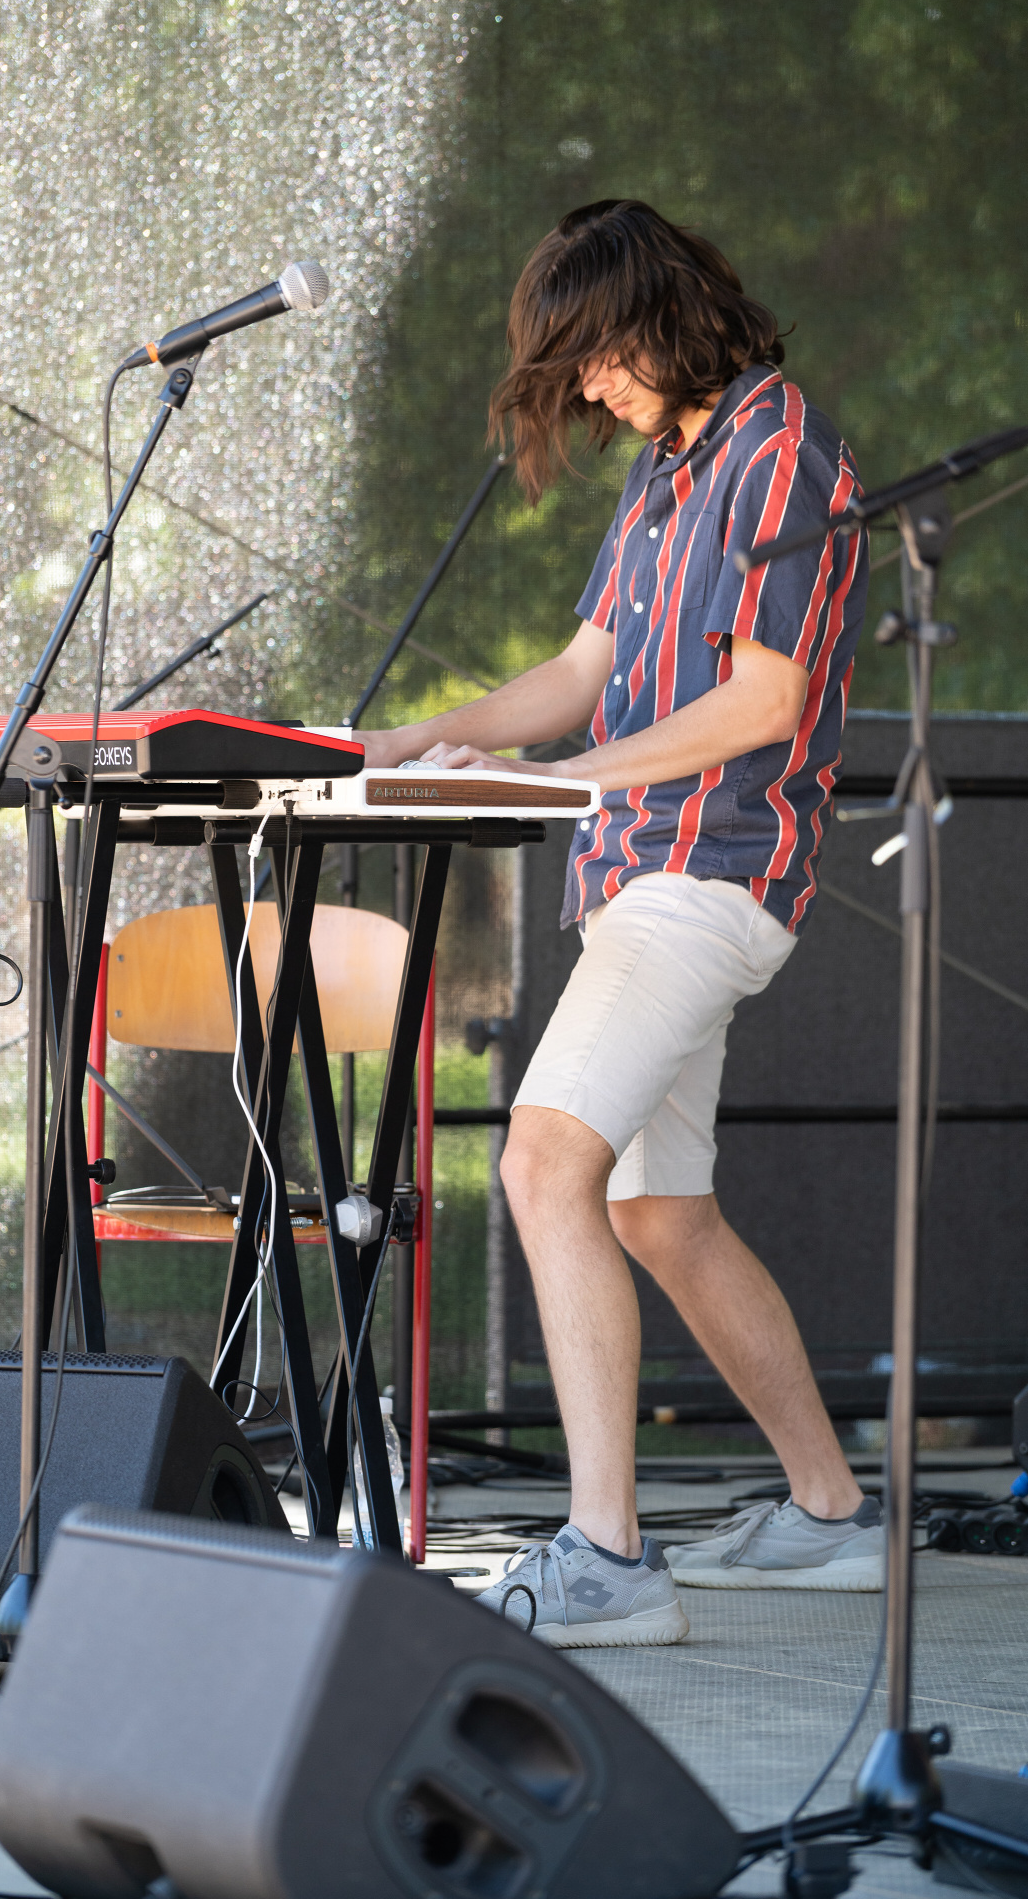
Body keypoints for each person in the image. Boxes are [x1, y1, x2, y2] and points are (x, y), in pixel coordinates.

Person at [357, 199, 882, 1648]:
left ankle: (606, 1558)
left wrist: (559, 781)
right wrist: (408, 742)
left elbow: (765, 701)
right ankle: (832, 1515)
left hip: (707, 879)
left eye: (598, 356)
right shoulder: (667, 468)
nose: (589, 388)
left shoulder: (781, 452)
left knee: (541, 1164)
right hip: (644, 878)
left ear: (665, 313)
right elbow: (583, 667)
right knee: (660, 1212)